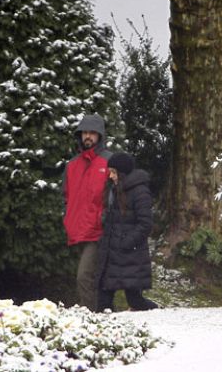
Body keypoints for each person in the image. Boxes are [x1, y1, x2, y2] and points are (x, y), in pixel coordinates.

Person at [96, 152, 158, 312]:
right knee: (103, 299)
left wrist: (126, 242)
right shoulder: (114, 190)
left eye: (114, 172)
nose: (110, 176)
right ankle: (106, 329)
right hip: (112, 253)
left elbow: (145, 224)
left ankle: (157, 312)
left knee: (135, 301)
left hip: (130, 253)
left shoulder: (139, 192)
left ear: (122, 173)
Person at [63, 114, 112, 311]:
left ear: (100, 135)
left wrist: (105, 217)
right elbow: (66, 195)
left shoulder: (109, 161)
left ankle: (89, 317)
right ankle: (99, 315)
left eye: (92, 132)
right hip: (77, 230)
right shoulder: (72, 165)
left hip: (99, 230)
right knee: (92, 277)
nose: (88, 136)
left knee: (84, 276)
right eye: (85, 132)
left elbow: (117, 195)